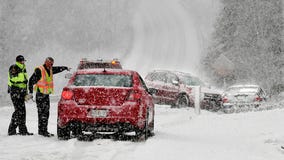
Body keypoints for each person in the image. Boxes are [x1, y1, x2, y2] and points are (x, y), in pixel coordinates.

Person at [28, 57, 70, 137]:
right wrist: (30, 92)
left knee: (46, 113)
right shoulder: (39, 70)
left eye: (52, 64)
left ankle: (44, 130)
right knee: (42, 114)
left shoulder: (50, 69)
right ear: (46, 62)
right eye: (51, 64)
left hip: (46, 95)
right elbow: (31, 81)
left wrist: (65, 68)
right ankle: (42, 131)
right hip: (40, 95)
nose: (52, 65)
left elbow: (57, 69)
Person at [8, 55, 33, 136]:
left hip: (21, 92)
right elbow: (13, 79)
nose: (23, 62)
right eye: (22, 61)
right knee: (18, 111)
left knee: (22, 112)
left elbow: (24, 83)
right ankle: (12, 130)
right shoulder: (14, 67)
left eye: (24, 61)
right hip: (15, 91)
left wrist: (26, 93)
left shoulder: (23, 68)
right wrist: (23, 80)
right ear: (19, 61)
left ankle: (22, 130)